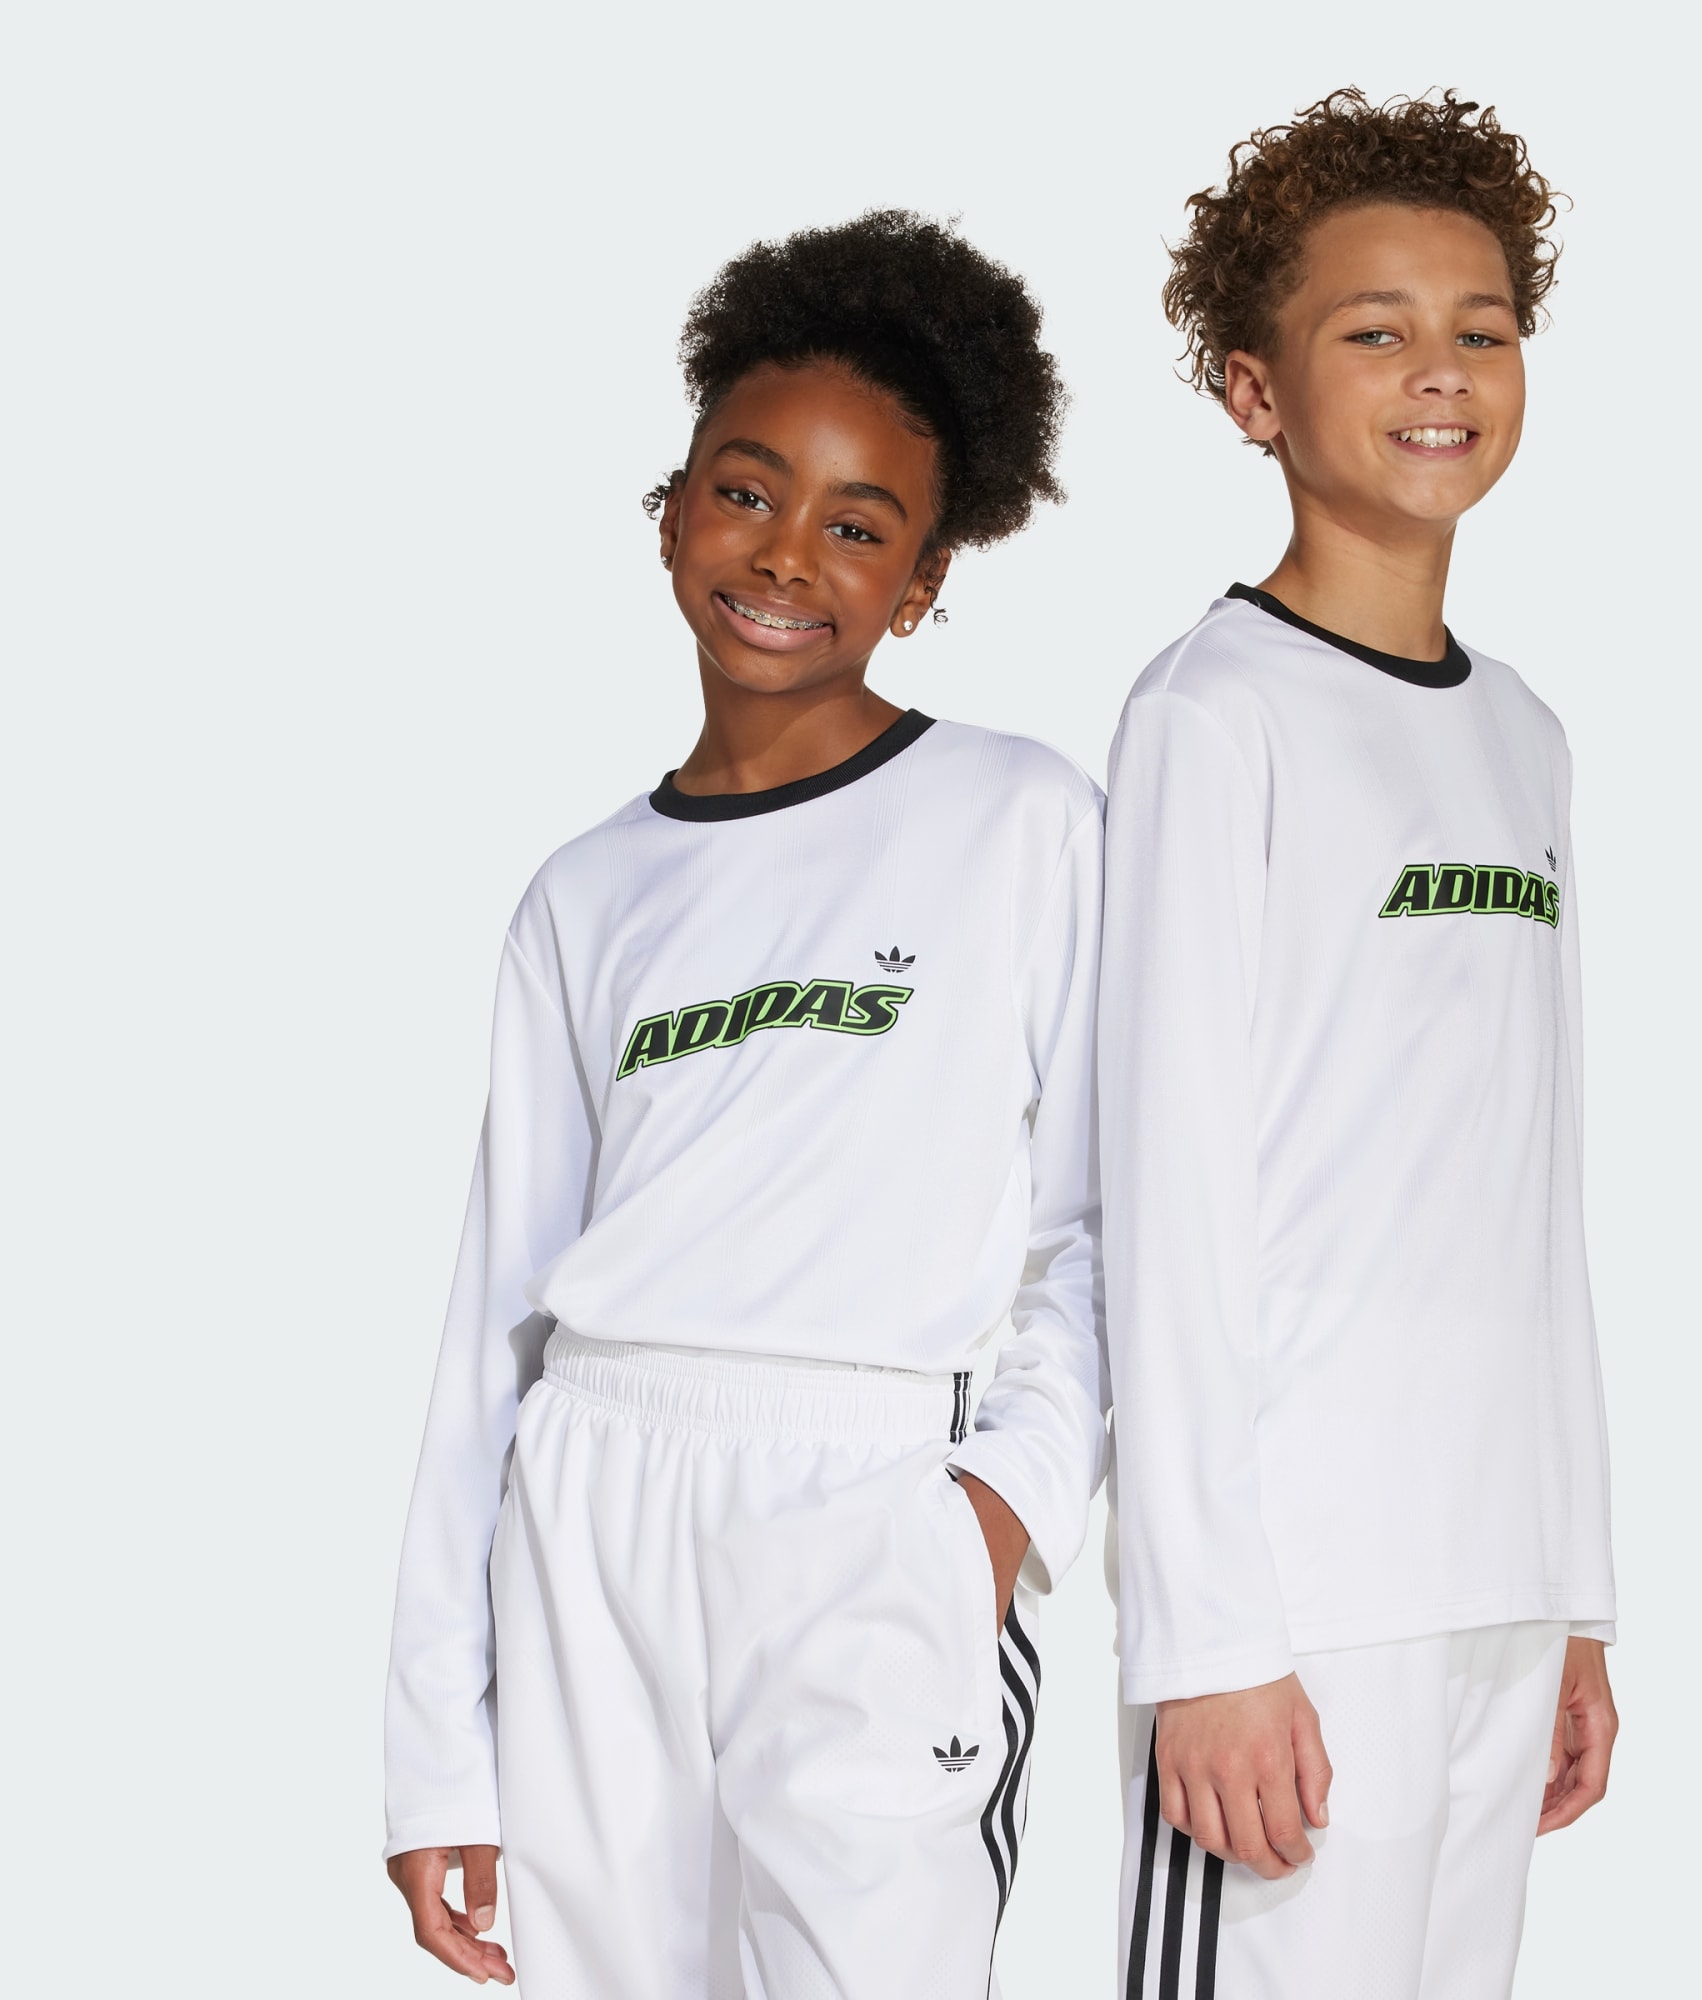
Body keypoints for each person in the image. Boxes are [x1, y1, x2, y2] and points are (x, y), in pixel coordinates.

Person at [382, 210, 1106, 1998]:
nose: (788, 553)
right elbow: (494, 1322)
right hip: (593, 1513)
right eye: (748, 492)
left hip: (872, 1494)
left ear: (923, 581)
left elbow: (1106, 1224)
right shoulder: (584, 893)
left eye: (859, 525)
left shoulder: (1023, 820)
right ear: (671, 511)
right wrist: (436, 1746)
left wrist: (991, 1516)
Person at [1100, 91, 1619, 1998]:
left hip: (1495, 1583)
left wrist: (1573, 1595)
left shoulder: (1527, 737)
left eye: (1483, 327)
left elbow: (1533, 1189)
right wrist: (1204, 1639)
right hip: (1297, 1608)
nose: (1442, 370)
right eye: (1375, 329)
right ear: (1254, 392)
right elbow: (1161, 1188)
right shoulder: (1212, 714)